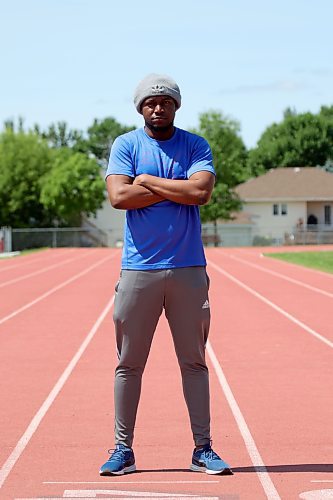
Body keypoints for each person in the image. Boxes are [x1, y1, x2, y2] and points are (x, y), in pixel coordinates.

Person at [99, 74, 232, 476]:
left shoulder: (195, 145)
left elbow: (202, 193)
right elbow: (119, 197)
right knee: (128, 364)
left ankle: (202, 449)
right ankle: (123, 450)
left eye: (166, 101)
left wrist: (150, 182)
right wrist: (179, 187)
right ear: (140, 108)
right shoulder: (126, 145)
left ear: (176, 106)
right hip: (139, 269)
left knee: (194, 362)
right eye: (151, 102)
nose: (158, 108)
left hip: (189, 268)